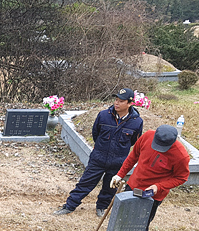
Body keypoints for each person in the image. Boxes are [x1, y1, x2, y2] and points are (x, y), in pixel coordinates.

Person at [54, 88, 144, 218]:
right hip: (98, 158)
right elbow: (95, 133)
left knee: (110, 187)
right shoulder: (104, 115)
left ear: (129, 103)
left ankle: (102, 207)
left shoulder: (136, 121)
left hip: (118, 161)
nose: (116, 103)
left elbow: (133, 141)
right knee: (85, 183)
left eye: (121, 101)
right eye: (116, 100)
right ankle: (69, 206)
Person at [110, 124, 190, 231]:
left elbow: (181, 178)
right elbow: (133, 156)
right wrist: (120, 174)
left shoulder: (181, 156)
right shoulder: (147, 136)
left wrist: (159, 186)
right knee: (123, 218)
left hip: (152, 195)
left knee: (140, 225)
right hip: (134, 185)